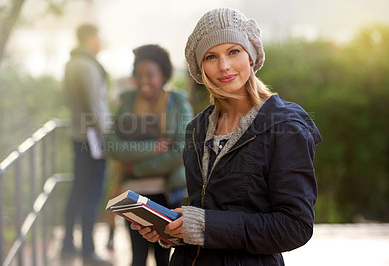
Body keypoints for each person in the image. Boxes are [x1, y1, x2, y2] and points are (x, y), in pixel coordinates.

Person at [132, 8, 322, 266]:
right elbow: (204, 215)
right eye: (211, 56)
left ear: (251, 57)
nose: (224, 66)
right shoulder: (197, 129)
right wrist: (171, 230)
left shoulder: (285, 126)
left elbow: (295, 226)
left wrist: (203, 225)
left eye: (234, 51)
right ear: (201, 68)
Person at [106, 44, 193, 266]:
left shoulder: (180, 105)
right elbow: (112, 146)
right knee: (137, 256)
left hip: (167, 194)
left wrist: (134, 167)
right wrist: (152, 148)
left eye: (150, 75)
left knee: (164, 256)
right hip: (130, 193)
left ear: (164, 75)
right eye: (139, 75)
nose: (144, 81)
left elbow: (178, 152)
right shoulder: (126, 102)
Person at [62, 23, 111, 265]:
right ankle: (88, 251)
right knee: (91, 194)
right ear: (90, 37)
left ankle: (67, 244)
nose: (101, 42)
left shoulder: (71, 63)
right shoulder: (88, 65)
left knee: (77, 191)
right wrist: (110, 138)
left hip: (76, 135)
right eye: (99, 36)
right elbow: (96, 107)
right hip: (91, 140)